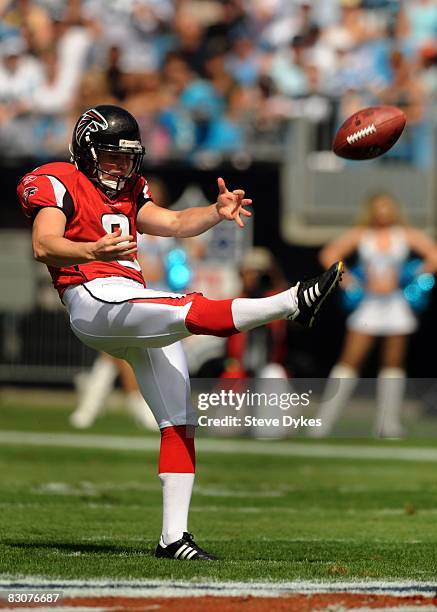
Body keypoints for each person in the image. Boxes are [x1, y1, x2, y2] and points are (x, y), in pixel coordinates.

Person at [18, 104, 343, 560]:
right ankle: (290, 303)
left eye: (127, 156)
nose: (121, 164)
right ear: (85, 149)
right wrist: (90, 248)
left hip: (129, 299)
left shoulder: (130, 188)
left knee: (180, 423)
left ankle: (173, 538)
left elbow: (170, 223)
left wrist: (214, 211)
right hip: (93, 298)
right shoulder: (56, 179)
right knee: (184, 307)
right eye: (111, 154)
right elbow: (42, 244)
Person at [313, 192, 436, 438]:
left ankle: (387, 424)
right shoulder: (361, 234)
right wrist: (351, 281)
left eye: (387, 207)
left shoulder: (405, 234)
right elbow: (328, 254)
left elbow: (433, 255)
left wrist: (408, 277)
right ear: (371, 210)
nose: (383, 212)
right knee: (349, 361)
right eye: (378, 207)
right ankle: (323, 422)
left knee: (393, 364)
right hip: (368, 304)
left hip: (396, 303)